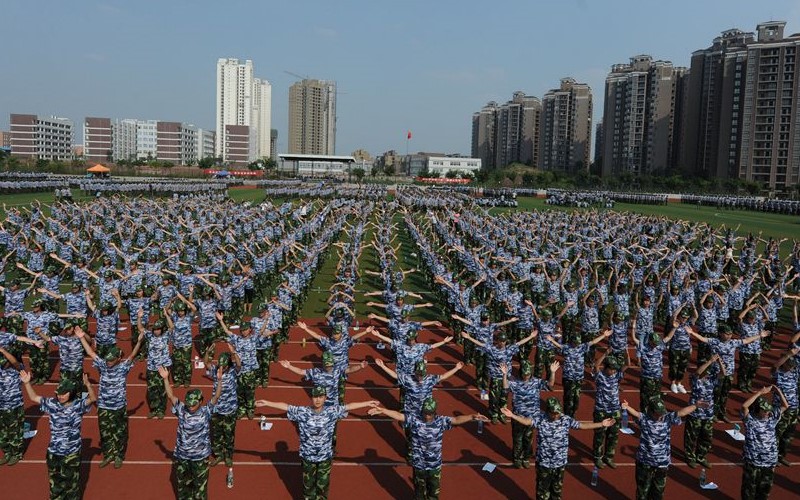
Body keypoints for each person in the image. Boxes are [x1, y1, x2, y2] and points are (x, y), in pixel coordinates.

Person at [256, 387, 379, 500]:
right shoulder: (302, 411)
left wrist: (367, 403)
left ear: (325, 398)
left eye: (321, 397)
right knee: (308, 486)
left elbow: (349, 406)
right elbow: (286, 406)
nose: (318, 400)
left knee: (323, 486)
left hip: (325, 457)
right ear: (311, 397)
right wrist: (267, 403)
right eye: (315, 397)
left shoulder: (332, 411)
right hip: (307, 456)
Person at [369, 398, 488, 500]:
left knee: (433, 492)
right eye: (425, 412)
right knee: (419, 493)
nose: (427, 415)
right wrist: (383, 410)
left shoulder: (441, 421)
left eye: (430, 413)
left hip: (434, 465)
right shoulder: (415, 419)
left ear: (434, 412)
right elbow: (400, 416)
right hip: (419, 464)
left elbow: (456, 420)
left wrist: (472, 416)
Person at [501, 397, 615, 500]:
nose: (556, 415)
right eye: (553, 413)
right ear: (548, 411)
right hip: (544, 463)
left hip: (559, 463)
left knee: (556, 492)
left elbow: (582, 426)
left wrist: (601, 424)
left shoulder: (565, 420)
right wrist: (512, 416)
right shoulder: (540, 419)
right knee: (542, 493)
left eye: (558, 413)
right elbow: (527, 422)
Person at [20, 370, 96, 500]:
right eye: (58, 393)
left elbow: (92, 399)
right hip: (54, 452)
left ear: (70, 393)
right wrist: (27, 383)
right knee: (55, 485)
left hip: (71, 453)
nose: (60, 396)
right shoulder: (52, 404)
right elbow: (34, 398)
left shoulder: (78, 405)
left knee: (71, 487)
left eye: (63, 394)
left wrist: (87, 385)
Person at [76, 325, 144, 468]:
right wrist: (82, 338)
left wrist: (138, 342)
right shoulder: (102, 365)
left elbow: (132, 356)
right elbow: (90, 352)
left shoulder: (123, 367)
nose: (108, 362)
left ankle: (119, 455)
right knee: (105, 432)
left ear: (119, 359)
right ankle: (108, 454)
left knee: (120, 432)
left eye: (111, 360)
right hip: (104, 406)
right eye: (108, 359)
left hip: (118, 406)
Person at [622, 398, 709, 500]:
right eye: (658, 413)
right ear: (651, 411)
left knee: (658, 493)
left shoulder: (667, 418)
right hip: (645, 462)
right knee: (642, 493)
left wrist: (696, 406)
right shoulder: (644, 418)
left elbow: (681, 412)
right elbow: (636, 413)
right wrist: (626, 407)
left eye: (662, 412)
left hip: (662, 463)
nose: (660, 415)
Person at [159, 365, 223, 500]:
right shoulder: (182, 409)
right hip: (183, 456)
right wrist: (165, 379)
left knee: (200, 491)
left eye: (193, 404)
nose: (191, 406)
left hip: (200, 458)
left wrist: (219, 380)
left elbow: (216, 396)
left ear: (201, 401)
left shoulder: (206, 411)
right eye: (189, 403)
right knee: (183, 489)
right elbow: (170, 396)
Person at [500, 360, 557, 468]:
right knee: (518, 439)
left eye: (528, 374)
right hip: (518, 416)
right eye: (524, 374)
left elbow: (550, 384)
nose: (526, 376)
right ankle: (517, 458)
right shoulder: (515, 383)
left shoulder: (536, 382)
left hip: (532, 417)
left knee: (528, 438)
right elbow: (505, 387)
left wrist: (552, 372)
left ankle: (525, 457)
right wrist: (504, 375)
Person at [741, 385, 788, 500]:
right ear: (757, 410)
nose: (767, 412)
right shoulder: (750, 421)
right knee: (749, 492)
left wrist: (779, 391)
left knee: (764, 492)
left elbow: (785, 406)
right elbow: (744, 406)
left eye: (768, 410)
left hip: (769, 463)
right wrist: (760, 392)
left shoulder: (772, 418)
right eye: (764, 410)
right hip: (754, 463)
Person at [0, 347, 24, 465]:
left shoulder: (18, 370)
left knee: (15, 432)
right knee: (2, 433)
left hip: (14, 406)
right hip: (1, 406)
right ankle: (7, 452)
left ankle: (16, 454)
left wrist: (4, 351)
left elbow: (15, 362)